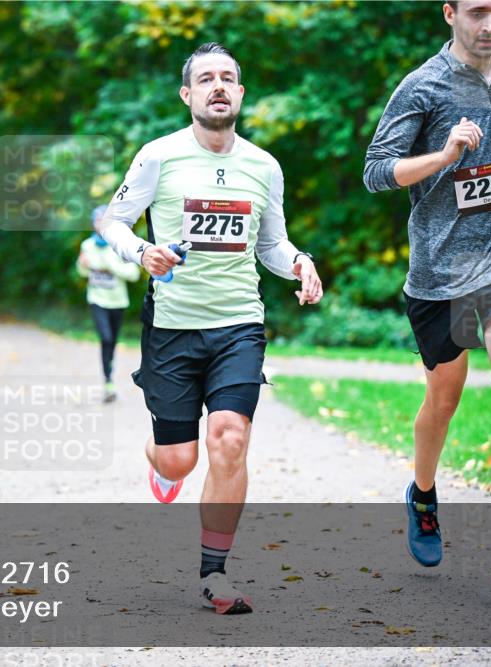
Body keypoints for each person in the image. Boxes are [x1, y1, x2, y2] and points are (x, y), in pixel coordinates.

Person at [99, 42, 323, 614]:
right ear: (188, 94)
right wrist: (142, 251)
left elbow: (270, 243)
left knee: (230, 436)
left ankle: (214, 573)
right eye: (206, 79)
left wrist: (299, 262)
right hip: (173, 328)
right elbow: (113, 220)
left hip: (238, 324)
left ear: (240, 94)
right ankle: (162, 461)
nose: (217, 86)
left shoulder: (262, 165)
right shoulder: (159, 156)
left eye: (228, 78)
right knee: (180, 459)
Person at [363, 0, 491, 597]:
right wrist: (445, 156)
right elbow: (377, 172)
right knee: (444, 400)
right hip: (442, 275)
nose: (489, 25)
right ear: (449, 13)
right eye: (477, 12)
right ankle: (423, 492)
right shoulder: (423, 87)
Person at [77, 205, 140, 402]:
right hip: (97, 300)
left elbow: (133, 274)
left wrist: (110, 265)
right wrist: (83, 265)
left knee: (111, 341)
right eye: (97, 220)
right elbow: (82, 272)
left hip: (118, 302)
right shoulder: (87, 245)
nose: (100, 223)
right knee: (105, 338)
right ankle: (108, 379)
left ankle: (109, 379)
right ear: (93, 223)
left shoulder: (120, 245)